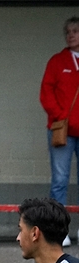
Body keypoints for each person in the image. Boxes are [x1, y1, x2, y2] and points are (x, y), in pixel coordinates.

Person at [42, 17, 79, 211]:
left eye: (75, 31)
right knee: (59, 180)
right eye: (67, 32)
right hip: (62, 130)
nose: (70, 35)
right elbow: (46, 93)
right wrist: (60, 116)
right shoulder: (57, 61)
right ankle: (57, 226)